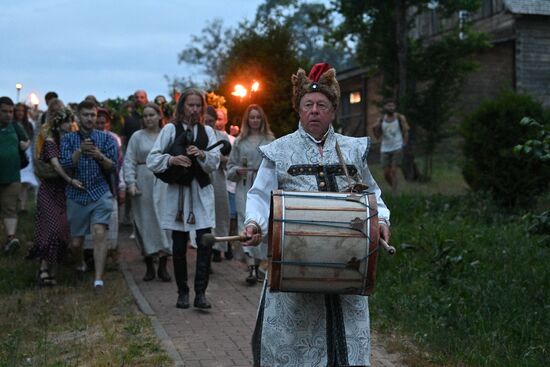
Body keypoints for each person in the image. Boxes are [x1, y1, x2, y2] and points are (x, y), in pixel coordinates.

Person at [241, 63, 391, 366]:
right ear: (298, 109)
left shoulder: (352, 150)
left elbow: (372, 194)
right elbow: (259, 194)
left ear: (333, 110)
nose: (314, 111)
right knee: (294, 348)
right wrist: (254, 222)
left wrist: (382, 220)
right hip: (296, 266)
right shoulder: (279, 151)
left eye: (321, 105)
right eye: (307, 105)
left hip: (347, 266)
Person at [147, 88, 219, 309]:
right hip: (178, 194)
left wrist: (203, 155)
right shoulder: (170, 129)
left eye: (198, 105)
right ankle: (183, 292)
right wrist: (172, 160)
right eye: (190, 105)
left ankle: (200, 293)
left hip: (200, 192)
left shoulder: (207, 131)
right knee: (178, 245)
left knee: (205, 242)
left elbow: (214, 162)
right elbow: (153, 158)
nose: (194, 109)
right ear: (182, 106)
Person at [60, 100, 118, 290]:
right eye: (86, 115)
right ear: (78, 116)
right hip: (76, 194)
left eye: (92, 115)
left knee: (99, 233)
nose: (90, 119)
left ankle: (98, 279)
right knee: (76, 243)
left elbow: (113, 167)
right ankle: (80, 263)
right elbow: (65, 166)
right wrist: (79, 152)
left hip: (100, 192)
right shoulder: (68, 139)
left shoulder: (107, 139)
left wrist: (99, 155)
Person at [28, 107, 84, 285]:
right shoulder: (51, 142)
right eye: (66, 121)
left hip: (64, 191)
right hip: (50, 189)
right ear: (58, 124)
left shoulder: (71, 141)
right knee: (49, 228)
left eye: (71, 121)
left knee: (61, 230)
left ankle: (53, 270)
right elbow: (56, 165)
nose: (70, 125)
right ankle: (43, 268)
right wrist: (70, 180)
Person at [227, 104, 275, 284]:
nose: (255, 121)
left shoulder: (270, 141)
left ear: (262, 120)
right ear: (247, 120)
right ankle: (251, 267)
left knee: (262, 221)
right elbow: (229, 167)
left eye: (258, 117)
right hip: (244, 186)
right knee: (244, 221)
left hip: (263, 187)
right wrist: (237, 171)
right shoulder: (239, 141)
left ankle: (259, 263)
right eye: (251, 117)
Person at [124, 103, 172, 281]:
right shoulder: (137, 137)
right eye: (145, 116)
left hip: (164, 183)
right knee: (145, 223)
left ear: (159, 116)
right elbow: (129, 161)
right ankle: (149, 264)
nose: (148, 118)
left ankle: (164, 264)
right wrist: (131, 182)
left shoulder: (167, 135)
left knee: (165, 222)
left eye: (152, 115)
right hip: (143, 182)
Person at [82, 108, 125, 268]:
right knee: (89, 225)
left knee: (109, 223)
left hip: (108, 186)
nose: (100, 125)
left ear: (108, 123)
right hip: (88, 188)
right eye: (97, 122)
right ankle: (89, 258)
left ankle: (109, 256)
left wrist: (121, 187)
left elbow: (120, 165)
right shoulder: (84, 138)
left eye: (103, 122)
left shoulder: (112, 139)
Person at [0, 97, 30, 254]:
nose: (8, 115)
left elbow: (26, 140)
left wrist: (24, 145)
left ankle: (11, 239)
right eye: (4, 111)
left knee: (10, 208)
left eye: (10, 111)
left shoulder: (15, 127)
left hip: (12, 175)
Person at [204, 106, 231, 263]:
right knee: (206, 214)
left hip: (219, 178)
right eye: (206, 121)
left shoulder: (222, 136)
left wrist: (223, 160)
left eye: (211, 121)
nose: (208, 123)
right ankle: (206, 247)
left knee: (221, 212)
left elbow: (230, 160)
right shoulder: (199, 135)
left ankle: (219, 247)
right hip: (203, 177)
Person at [372, 98, 409, 194]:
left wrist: (404, 143)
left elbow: (406, 130)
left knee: (393, 171)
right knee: (386, 173)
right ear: (385, 107)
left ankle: (394, 192)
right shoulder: (381, 119)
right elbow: (377, 136)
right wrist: (374, 129)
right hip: (385, 148)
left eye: (392, 105)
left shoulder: (400, 118)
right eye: (388, 105)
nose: (391, 108)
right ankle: (394, 187)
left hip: (397, 146)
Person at [14, 103, 38, 212]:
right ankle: (16, 205)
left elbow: (32, 140)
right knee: (16, 182)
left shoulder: (29, 125)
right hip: (16, 155)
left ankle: (22, 206)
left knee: (25, 183)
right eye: (18, 110)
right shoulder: (11, 124)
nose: (20, 113)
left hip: (27, 156)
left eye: (22, 111)